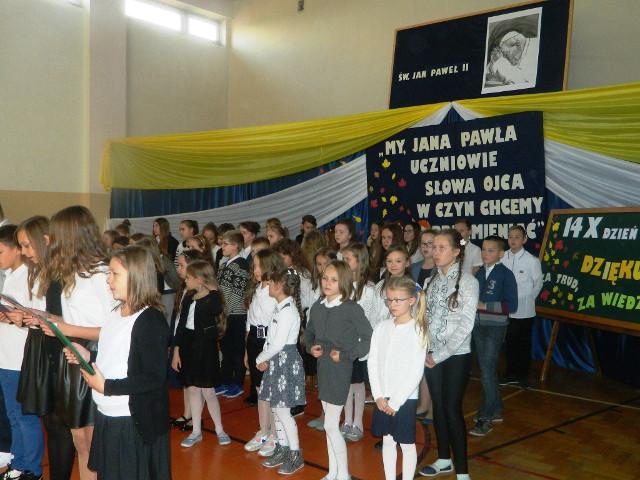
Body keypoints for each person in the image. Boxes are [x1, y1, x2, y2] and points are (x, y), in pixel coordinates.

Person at [64, 245, 171, 479]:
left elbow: (153, 378)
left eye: (115, 274)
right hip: (107, 414)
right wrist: (88, 356)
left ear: (136, 277)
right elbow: (115, 355)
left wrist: (107, 387)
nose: (108, 280)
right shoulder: (115, 313)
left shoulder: (150, 320)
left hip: (131, 421)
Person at [39, 206, 116, 480]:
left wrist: (66, 328)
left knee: (94, 444)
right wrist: (47, 319)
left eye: (56, 236)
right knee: (80, 440)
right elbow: (74, 319)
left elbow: (115, 330)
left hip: (96, 358)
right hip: (72, 357)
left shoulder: (102, 274)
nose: (51, 242)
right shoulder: (73, 273)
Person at [16, 216, 76, 480]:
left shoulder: (61, 274)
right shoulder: (42, 271)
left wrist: (40, 318)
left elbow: (68, 319)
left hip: (61, 350)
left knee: (61, 423)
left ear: (45, 241)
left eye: (27, 245)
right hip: (44, 346)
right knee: (51, 421)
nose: (24, 252)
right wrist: (29, 317)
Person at [418, 229, 478, 480]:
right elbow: (424, 318)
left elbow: (466, 326)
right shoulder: (431, 281)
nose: (436, 252)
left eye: (442, 247)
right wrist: (423, 349)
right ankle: (444, 460)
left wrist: (439, 355)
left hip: (455, 356)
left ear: (456, 251)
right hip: (431, 355)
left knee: (452, 409)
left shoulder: (468, 282)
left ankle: (463, 472)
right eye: (434, 247)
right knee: (439, 408)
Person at [304, 260, 373, 480]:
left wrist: (346, 355)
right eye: (325, 278)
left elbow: (369, 338)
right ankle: (333, 471)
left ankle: (343, 474)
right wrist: (310, 347)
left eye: (333, 280)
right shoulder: (318, 306)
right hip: (323, 367)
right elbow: (309, 332)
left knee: (331, 424)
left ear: (343, 282)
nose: (327, 283)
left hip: (340, 370)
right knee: (330, 426)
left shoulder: (351, 309)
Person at [369, 276, 429, 480]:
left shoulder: (417, 330)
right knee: (387, 440)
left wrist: (396, 401)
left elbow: (415, 371)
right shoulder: (381, 327)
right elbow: (373, 362)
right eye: (389, 300)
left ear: (411, 300)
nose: (392, 304)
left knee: (406, 443)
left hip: (404, 399)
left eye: (397, 300)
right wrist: (378, 395)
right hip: (382, 397)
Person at [0, 224, 45, 480]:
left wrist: (13, 317)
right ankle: (18, 463)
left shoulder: (30, 276)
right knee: (13, 415)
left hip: (20, 358)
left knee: (25, 416)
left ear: (17, 250)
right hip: (6, 356)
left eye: (0, 252)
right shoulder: (10, 275)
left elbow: (35, 316)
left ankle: (32, 469)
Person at [172, 260, 230, 448]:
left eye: (189, 277)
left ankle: (220, 429)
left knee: (208, 391)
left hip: (205, 349)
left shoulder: (212, 299)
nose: (186, 280)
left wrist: (210, 287)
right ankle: (196, 431)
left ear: (199, 279)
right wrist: (176, 350)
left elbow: (217, 307)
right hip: (188, 346)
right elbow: (181, 326)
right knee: (193, 389)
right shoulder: (189, 297)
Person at [257, 267, 307, 475]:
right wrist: (265, 355)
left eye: (270, 283)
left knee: (284, 411)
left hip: (285, 361)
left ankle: (295, 455)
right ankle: (283, 449)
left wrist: (260, 358)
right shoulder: (280, 308)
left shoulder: (288, 311)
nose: (268, 285)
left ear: (278, 286)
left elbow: (278, 344)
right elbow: (271, 339)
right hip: (276, 361)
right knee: (277, 409)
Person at [469, 236, 517, 437]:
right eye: (483, 249)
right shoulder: (480, 273)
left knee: (487, 371)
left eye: (490, 250)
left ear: (501, 254)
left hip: (495, 328)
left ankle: (486, 417)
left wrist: (484, 306)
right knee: (486, 369)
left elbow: (511, 306)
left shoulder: (506, 274)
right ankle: (496, 409)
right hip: (478, 326)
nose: (485, 253)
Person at [243, 250, 282, 457]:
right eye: (254, 266)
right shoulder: (257, 289)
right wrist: (247, 350)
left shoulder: (276, 291)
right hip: (254, 340)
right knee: (260, 389)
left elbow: (277, 325)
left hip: (269, 343)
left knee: (271, 390)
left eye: (259, 266)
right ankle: (264, 431)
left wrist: (268, 353)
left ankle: (276, 434)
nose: (256, 270)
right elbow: (250, 320)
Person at [341, 243, 376, 442]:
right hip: (343, 344)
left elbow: (369, 320)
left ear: (360, 261)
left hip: (359, 345)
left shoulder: (368, 290)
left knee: (357, 383)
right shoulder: (342, 286)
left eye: (348, 259)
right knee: (345, 383)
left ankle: (358, 421)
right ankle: (347, 420)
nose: (344, 262)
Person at [501, 225, 543, 388]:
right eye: (510, 237)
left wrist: (528, 299)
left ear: (524, 239)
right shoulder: (502, 257)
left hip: (524, 311)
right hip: (506, 310)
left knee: (523, 344)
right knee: (509, 343)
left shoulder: (532, 260)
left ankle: (522, 376)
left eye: (517, 237)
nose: (513, 240)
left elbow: (538, 283)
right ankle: (510, 374)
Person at [217, 230, 251, 399]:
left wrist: (226, 313)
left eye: (225, 244)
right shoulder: (224, 264)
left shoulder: (241, 265)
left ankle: (237, 383)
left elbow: (237, 292)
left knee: (237, 350)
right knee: (226, 349)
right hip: (225, 314)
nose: (222, 247)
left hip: (235, 315)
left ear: (236, 246)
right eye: (222, 243)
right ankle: (225, 380)